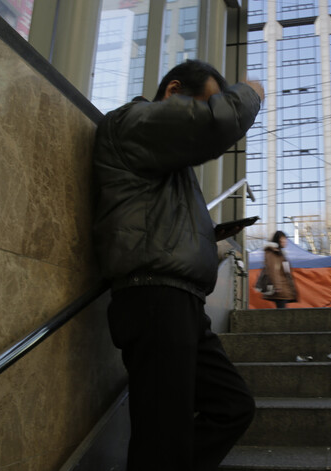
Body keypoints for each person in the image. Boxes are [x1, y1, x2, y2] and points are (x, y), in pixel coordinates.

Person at [92, 59, 264, 470]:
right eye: (203, 102)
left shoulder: (163, 158)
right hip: (154, 297)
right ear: (173, 93)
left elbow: (158, 221)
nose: (205, 112)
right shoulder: (132, 122)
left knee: (232, 406)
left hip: (181, 302)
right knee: (161, 437)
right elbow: (215, 123)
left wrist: (209, 241)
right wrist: (251, 92)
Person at [262, 231, 298, 308]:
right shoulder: (273, 253)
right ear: (278, 240)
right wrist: (277, 286)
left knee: (281, 310)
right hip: (280, 288)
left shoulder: (280, 253)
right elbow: (273, 270)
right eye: (283, 239)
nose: (285, 241)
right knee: (282, 312)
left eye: (285, 239)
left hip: (283, 287)